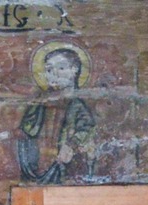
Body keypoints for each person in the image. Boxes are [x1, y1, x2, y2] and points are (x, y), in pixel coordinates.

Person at [17, 43, 96, 185]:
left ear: (75, 70)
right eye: (48, 69)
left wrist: (71, 145)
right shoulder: (38, 104)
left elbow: (86, 129)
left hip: (63, 166)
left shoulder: (77, 105)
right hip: (37, 164)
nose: (53, 73)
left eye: (61, 68)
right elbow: (26, 130)